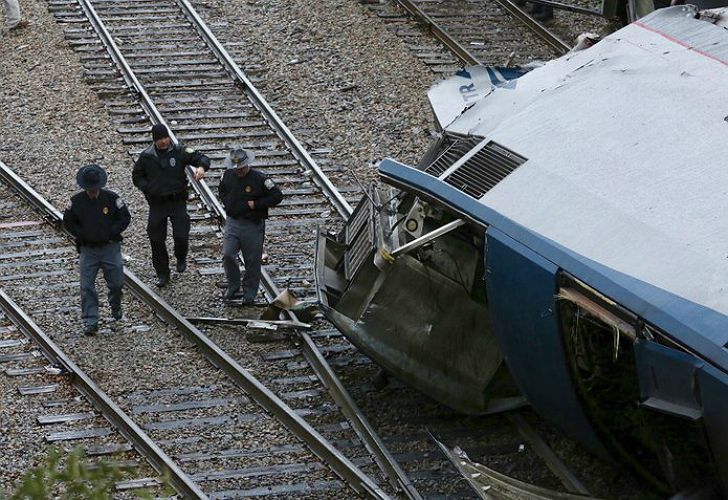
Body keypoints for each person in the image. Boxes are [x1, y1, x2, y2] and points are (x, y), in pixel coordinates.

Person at [132, 124, 210, 287]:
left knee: (181, 235)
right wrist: (148, 187)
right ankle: (162, 273)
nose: (164, 142)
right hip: (157, 204)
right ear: (155, 141)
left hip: (177, 201)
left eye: (165, 137)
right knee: (156, 240)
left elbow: (201, 157)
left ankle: (181, 256)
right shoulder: (146, 157)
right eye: (160, 139)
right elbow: (137, 176)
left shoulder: (179, 151)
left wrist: (201, 168)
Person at [63, 165, 131, 336]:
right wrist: (82, 235)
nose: (92, 192)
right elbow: (68, 222)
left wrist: (112, 232)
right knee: (86, 287)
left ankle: (115, 304)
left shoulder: (112, 199)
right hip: (88, 250)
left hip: (110, 247)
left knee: (116, 283)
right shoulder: (76, 202)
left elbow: (125, 217)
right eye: (89, 189)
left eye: (94, 188)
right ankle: (90, 320)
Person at [218, 147, 283, 304]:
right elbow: (222, 191)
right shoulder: (227, 175)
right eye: (236, 169)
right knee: (228, 254)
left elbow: (277, 196)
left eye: (241, 168)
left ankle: (249, 294)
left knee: (252, 261)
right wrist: (228, 203)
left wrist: (258, 204)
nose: (239, 172)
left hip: (252, 225)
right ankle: (233, 286)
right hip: (233, 222)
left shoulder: (260, 179)